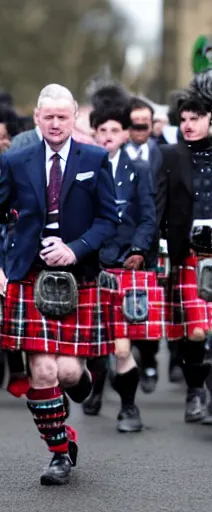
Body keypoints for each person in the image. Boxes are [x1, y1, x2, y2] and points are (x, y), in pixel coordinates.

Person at [0, 84, 118, 486]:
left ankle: (83, 381)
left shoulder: (95, 157)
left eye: (63, 116)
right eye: (49, 117)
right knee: (43, 370)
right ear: (37, 118)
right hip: (30, 276)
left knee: (69, 373)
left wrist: (76, 250)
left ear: (75, 116)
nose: (56, 124)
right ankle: (59, 452)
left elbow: (108, 219)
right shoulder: (17, 159)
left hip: (79, 276)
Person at [82, 82, 160, 432]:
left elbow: (148, 218)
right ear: (95, 134)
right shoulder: (81, 170)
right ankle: (96, 386)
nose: (109, 135)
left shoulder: (139, 171)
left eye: (116, 129)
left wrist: (140, 250)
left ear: (126, 134)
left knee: (122, 348)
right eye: (103, 130)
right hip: (91, 265)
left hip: (126, 264)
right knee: (94, 347)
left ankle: (129, 409)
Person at [156, 70, 212, 423]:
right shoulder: (170, 156)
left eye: (196, 118)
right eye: (184, 119)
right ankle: (195, 392)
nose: (188, 125)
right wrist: (158, 250)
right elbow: (158, 205)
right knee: (196, 331)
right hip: (189, 254)